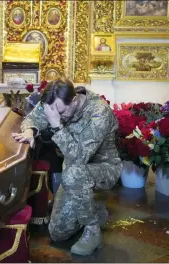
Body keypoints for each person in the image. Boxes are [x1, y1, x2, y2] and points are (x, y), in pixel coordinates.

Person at [12, 78, 122, 256]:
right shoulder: (56, 101)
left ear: (74, 100)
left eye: (61, 113)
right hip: (73, 173)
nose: (59, 116)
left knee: (73, 173)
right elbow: (33, 117)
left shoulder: (99, 112)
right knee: (57, 233)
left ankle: (92, 231)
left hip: (104, 168)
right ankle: (95, 209)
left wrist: (56, 124)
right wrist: (29, 131)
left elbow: (80, 157)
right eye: (54, 113)